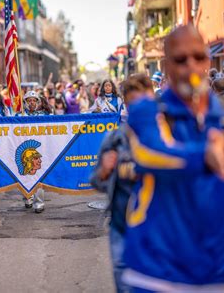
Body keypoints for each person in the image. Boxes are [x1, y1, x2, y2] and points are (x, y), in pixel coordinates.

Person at [123, 25, 224, 291]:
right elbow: (150, 153)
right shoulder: (147, 110)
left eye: (198, 57)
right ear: (166, 65)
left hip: (221, 271)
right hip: (157, 272)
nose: (191, 66)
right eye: (181, 60)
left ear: (207, 60)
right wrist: (204, 156)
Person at [90, 74, 154, 293]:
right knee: (123, 281)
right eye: (133, 103)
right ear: (125, 104)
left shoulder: (166, 135)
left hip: (156, 226)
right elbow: (96, 181)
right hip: (121, 225)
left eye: (144, 102)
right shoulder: (115, 139)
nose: (139, 108)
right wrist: (105, 171)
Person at [17, 91, 46, 213]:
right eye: (29, 100)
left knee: (38, 176)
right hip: (24, 148)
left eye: (34, 100)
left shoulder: (43, 115)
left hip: (38, 149)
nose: (32, 103)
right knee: (24, 175)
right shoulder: (19, 116)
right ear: (25, 102)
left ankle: (39, 202)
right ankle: (28, 197)